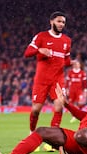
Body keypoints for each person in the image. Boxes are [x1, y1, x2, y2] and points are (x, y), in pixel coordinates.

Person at [23, 11, 72, 139]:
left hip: (58, 80)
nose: (61, 24)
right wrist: (39, 50)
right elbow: (27, 52)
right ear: (51, 21)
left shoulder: (67, 41)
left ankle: (53, 137)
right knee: (35, 110)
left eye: (63, 22)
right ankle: (32, 133)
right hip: (42, 80)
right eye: (59, 21)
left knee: (59, 106)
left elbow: (66, 60)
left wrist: (72, 63)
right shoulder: (41, 36)